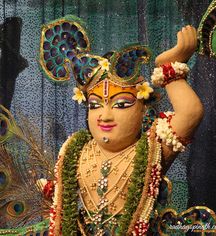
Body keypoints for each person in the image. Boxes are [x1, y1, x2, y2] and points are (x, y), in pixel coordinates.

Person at [39, 17, 203, 235]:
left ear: (143, 108)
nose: (105, 116)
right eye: (95, 105)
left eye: (122, 104)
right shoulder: (75, 151)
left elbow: (190, 113)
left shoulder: (151, 149)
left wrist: (169, 67)